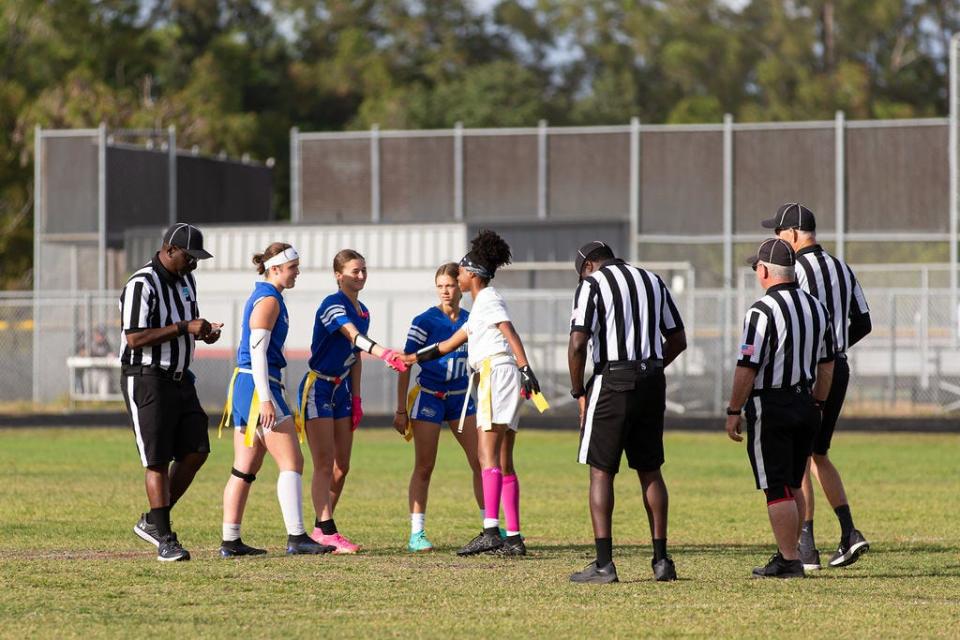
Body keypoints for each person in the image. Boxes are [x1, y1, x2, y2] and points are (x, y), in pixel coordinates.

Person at [405, 229, 542, 557]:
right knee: (504, 460)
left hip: (496, 374)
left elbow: (509, 331)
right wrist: (409, 358)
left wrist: (525, 368)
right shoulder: (481, 305)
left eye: (462, 272)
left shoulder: (488, 299)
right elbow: (448, 345)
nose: (459, 277)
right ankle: (514, 537)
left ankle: (491, 531)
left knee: (486, 456)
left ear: (474, 275)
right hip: (504, 374)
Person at [567, 241, 687, 584]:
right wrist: (650, 367)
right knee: (650, 469)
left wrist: (579, 391)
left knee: (601, 471)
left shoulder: (592, 284)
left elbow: (578, 343)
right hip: (652, 379)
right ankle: (662, 561)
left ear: (589, 264)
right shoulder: (652, 279)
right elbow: (677, 339)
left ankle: (604, 564)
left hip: (613, 378)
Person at [763, 203, 872, 569]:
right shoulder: (841, 267)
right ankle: (848, 532)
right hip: (838, 366)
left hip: (810, 371)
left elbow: (797, 316)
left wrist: (814, 356)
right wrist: (835, 350)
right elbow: (864, 321)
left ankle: (805, 545)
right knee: (816, 453)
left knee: (801, 454)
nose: (778, 240)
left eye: (779, 233)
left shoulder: (797, 270)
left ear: (793, 234)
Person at [725, 238, 835, 579]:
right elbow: (828, 363)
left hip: (772, 404)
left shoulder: (761, 312)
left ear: (764, 270)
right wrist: (817, 401)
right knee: (792, 480)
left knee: (776, 486)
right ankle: (792, 553)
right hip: (806, 402)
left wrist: (733, 410)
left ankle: (788, 559)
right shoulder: (817, 308)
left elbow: (748, 366)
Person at [218, 243, 335, 557]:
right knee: (292, 461)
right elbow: (257, 351)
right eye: (293, 267)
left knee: (245, 467)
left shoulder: (269, 297)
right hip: (258, 386)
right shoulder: (269, 299)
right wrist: (267, 399)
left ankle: (230, 541)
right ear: (276, 269)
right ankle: (297, 537)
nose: (297, 272)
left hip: (248, 385)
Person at [120, 223, 222, 561]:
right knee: (158, 458)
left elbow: (186, 325)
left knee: (196, 450)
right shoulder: (142, 283)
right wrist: (182, 328)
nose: (193, 265)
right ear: (169, 250)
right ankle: (165, 537)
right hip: (148, 377)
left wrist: (202, 332)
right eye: (189, 258)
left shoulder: (186, 280)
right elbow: (135, 337)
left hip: (180, 378)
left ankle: (153, 519)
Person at [298, 249, 408, 553]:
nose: (360, 276)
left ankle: (321, 529)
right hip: (318, 388)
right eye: (354, 271)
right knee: (322, 464)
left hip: (341, 392)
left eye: (363, 271)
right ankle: (327, 530)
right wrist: (385, 352)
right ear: (338, 275)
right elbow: (354, 338)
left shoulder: (364, 310)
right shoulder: (332, 305)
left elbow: (354, 357)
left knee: (341, 465)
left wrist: (357, 399)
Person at [392, 263, 484, 553]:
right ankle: (416, 534)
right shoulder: (425, 321)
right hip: (430, 397)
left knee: (481, 463)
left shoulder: (473, 319)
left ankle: (490, 526)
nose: (446, 291)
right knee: (425, 466)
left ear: (461, 287)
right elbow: (405, 362)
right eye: (441, 286)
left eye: (451, 285)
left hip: (461, 399)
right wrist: (400, 409)